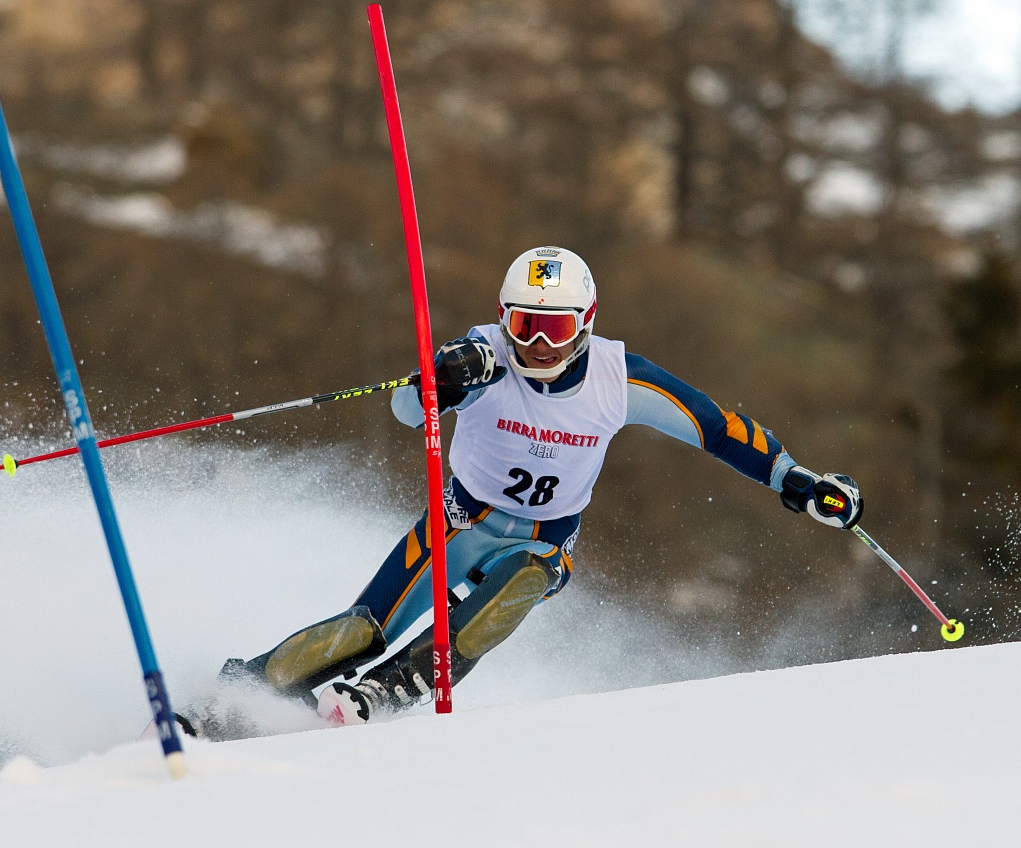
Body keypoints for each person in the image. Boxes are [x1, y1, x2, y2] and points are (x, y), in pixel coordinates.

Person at [202, 246, 862, 731]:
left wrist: (794, 480)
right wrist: (443, 379)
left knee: (512, 592)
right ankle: (235, 698)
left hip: (547, 541)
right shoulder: (483, 357)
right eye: (524, 325)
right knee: (361, 631)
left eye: (556, 328)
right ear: (503, 318)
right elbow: (408, 411)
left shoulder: (618, 378)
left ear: (588, 321)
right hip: (459, 520)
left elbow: (719, 429)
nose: (539, 345)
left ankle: (387, 691)